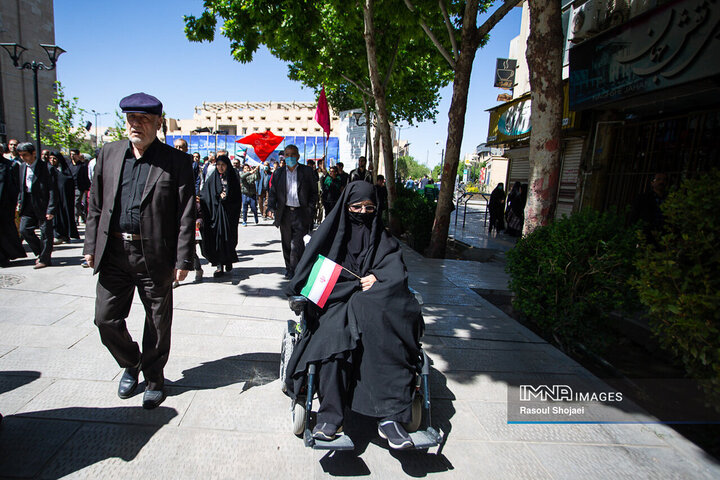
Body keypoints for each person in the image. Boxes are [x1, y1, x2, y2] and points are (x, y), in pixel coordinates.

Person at [284, 181, 424, 449]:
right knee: (334, 339)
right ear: (345, 208)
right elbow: (311, 282)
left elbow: (396, 273)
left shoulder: (384, 241)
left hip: (373, 308)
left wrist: (379, 278)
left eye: (369, 207)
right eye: (356, 207)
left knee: (385, 338)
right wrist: (354, 284)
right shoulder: (330, 239)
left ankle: (390, 418)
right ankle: (330, 417)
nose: (362, 212)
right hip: (336, 304)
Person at [83, 92, 195, 409]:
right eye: (131, 118)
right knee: (105, 320)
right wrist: (91, 244)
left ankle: (155, 377)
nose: (136, 124)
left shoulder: (176, 162)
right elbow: (95, 206)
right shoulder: (108, 154)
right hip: (115, 252)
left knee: (157, 323)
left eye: (144, 119)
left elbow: (186, 213)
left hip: (155, 255)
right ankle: (131, 363)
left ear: (158, 123)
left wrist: (183, 258)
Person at [268, 144, 318, 279]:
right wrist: (271, 207)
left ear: (298, 156)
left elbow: (314, 193)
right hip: (285, 214)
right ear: (284, 156)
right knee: (286, 243)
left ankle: (295, 270)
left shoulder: (307, 172)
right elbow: (273, 192)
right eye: (287, 155)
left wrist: (310, 208)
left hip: (301, 213)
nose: (290, 157)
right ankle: (288, 268)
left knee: (297, 244)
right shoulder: (278, 173)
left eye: (293, 155)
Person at [199, 155, 241, 277]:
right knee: (217, 240)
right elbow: (205, 195)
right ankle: (219, 265)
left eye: (223, 165)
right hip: (215, 216)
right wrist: (217, 197)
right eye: (218, 165)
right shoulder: (212, 179)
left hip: (228, 216)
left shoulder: (232, 179)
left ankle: (228, 260)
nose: (220, 167)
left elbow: (237, 198)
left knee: (229, 239)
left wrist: (227, 198)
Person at [16, 142, 56, 268]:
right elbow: (21, 186)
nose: (23, 157)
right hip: (27, 202)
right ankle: (41, 252)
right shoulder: (22, 167)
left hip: (42, 203)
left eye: (25, 155)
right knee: (24, 229)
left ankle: (45, 259)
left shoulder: (46, 168)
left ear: (33, 153)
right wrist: (19, 201)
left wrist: (51, 209)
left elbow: (53, 190)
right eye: (20, 155)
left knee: (45, 232)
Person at [173, 139, 203, 285]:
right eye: (176, 146)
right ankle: (174, 277)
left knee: (189, 246)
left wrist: (196, 196)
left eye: (181, 147)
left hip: (188, 207)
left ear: (186, 149)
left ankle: (198, 268)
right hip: (171, 208)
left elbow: (196, 182)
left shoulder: (192, 164)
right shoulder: (169, 162)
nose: (178, 149)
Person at [48, 151, 80, 244]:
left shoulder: (64, 171)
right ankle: (57, 234)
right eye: (50, 158)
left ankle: (65, 235)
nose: (52, 161)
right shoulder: (49, 170)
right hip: (53, 200)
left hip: (64, 200)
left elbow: (68, 182)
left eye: (54, 158)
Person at [0, 151, 25, 267]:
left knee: (6, 231)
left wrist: (15, 202)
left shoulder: (11, 165)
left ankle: (5, 256)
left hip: (5, 206)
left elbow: (16, 186)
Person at [630, 172, 669, 246]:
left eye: (664, 180)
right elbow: (635, 214)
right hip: (648, 233)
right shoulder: (643, 198)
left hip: (665, 234)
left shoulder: (670, 199)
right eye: (658, 179)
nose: (661, 182)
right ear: (652, 183)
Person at [68, 149, 91, 224]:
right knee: (75, 204)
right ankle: (82, 216)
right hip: (70, 187)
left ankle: (75, 219)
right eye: (71, 154)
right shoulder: (68, 165)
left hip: (79, 187)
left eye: (74, 154)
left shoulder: (82, 166)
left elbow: (85, 177)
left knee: (76, 202)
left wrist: (86, 188)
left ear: (78, 155)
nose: (72, 156)